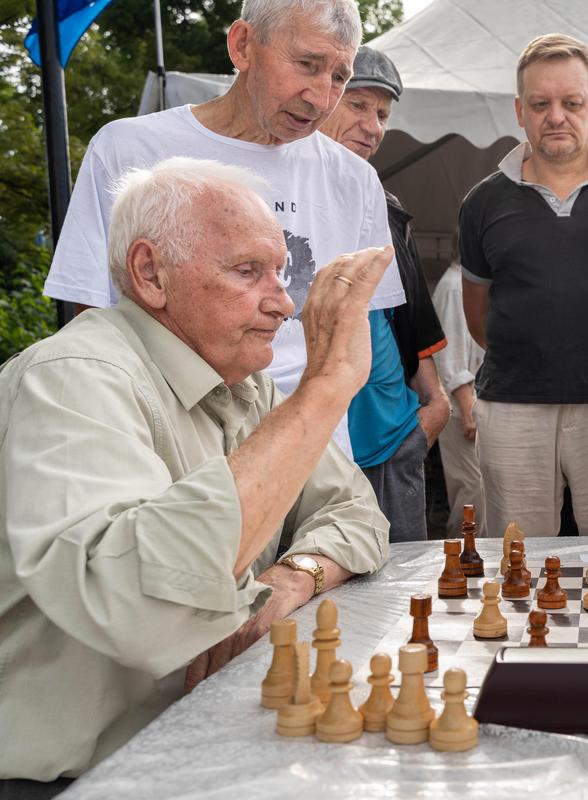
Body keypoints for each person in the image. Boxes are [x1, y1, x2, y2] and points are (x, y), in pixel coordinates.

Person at [0, 159, 391, 793]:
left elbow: (355, 511)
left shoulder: (246, 385)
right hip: (83, 780)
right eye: (247, 272)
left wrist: (293, 578)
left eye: (281, 273)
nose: (284, 303)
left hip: (201, 749)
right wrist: (323, 390)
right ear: (150, 273)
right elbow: (135, 600)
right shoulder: (72, 378)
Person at [40, 0, 406, 456]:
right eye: (307, 65)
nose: (320, 97)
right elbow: (91, 313)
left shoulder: (354, 178)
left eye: (339, 76)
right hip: (167, 443)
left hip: (311, 449)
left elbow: (357, 326)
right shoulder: (128, 148)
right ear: (243, 45)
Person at [458, 34, 588, 537]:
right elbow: (478, 316)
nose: (556, 117)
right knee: (517, 562)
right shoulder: (481, 203)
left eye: (571, 103)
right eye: (541, 104)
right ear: (519, 111)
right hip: (512, 406)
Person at [318, 46, 450, 541]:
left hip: (390, 440)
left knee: (399, 601)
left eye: (382, 114)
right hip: (311, 443)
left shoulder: (387, 207)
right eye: (358, 106)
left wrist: (434, 407)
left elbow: (410, 313)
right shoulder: (267, 199)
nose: (373, 127)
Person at [432, 234, 487, 536]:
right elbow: (450, 360)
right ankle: (462, 562)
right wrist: (468, 409)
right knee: (472, 492)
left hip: (469, 403)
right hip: (461, 406)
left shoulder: (460, 285)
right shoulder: (455, 287)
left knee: (475, 491)